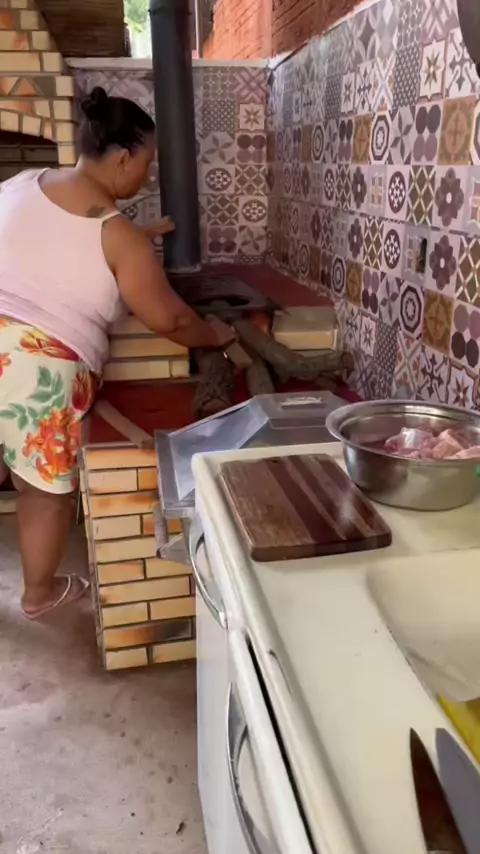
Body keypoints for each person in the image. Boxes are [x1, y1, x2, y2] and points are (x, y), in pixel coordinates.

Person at [0, 86, 234, 620]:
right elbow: (171, 319)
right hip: (35, 367)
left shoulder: (21, 183)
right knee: (42, 490)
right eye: (147, 163)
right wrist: (214, 336)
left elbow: (51, 241)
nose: (148, 178)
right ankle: (39, 595)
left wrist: (137, 236)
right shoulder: (116, 234)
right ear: (124, 157)